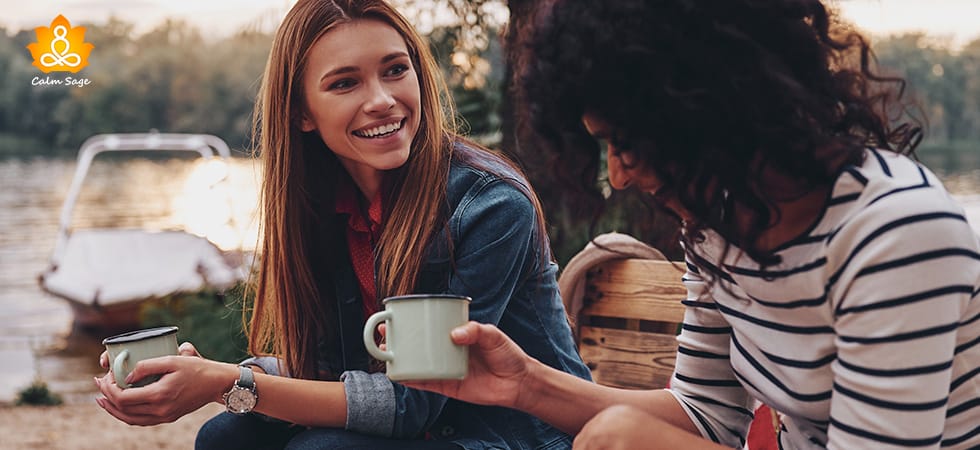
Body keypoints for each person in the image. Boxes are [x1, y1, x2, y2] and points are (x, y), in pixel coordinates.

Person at [402, 0, 980, 449]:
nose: (620, 176)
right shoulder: (720, 227)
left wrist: (635, 439)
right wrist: (525, 384)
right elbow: (704, 416)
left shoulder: (898, 234)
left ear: (715, 106)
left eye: (626, 143)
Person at [93, 0, 591, 448]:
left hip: (518, 435)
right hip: (432, 428)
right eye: (345, 82)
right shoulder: (324, 204)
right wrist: (202, 373)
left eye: (396, 70)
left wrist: (228, 383)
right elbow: (331, 372)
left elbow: (411, 403)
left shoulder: (490, 204)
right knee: (227, 437)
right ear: (301, 113)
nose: (381, 99)